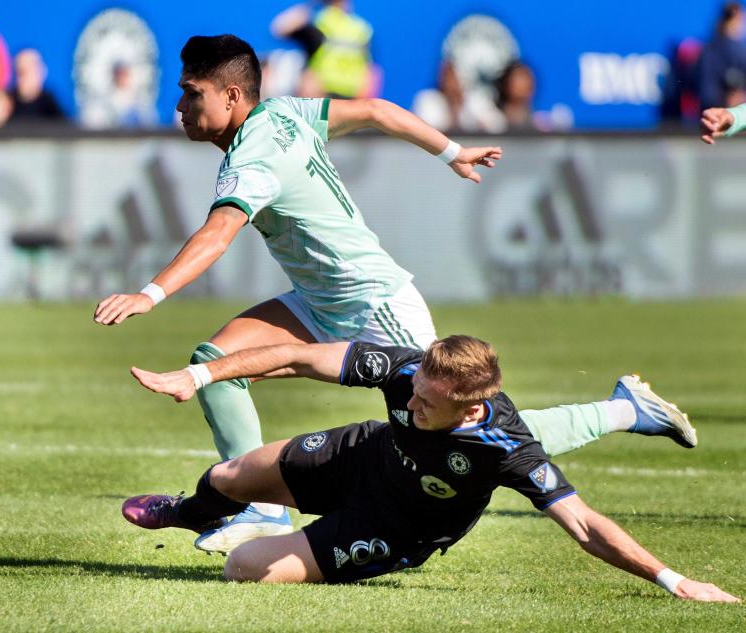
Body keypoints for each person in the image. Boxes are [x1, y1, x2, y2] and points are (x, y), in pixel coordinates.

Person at [94, 34, 502, 546]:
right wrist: (452, 151)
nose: (180, 105)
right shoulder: (285, 111)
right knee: (214, 365)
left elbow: (218, 234)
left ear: (232, 97)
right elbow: (376, 110)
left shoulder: (252, 161)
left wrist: (148, 294)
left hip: (377, 307)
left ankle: (615, 412)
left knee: (461, 425)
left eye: (192, 92)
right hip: (318, 302)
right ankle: (261, 510)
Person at [120, 335, 739, 601]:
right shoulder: (413, 369)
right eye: (412, 391)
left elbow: (583, 525)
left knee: (241, 568)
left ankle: (299, 542)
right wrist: (199, 375)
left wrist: (675, 581)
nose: (410, 403)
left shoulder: (506, 445)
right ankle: (188, 513)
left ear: (469, 408)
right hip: (362, 457)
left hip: (396, 528)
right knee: (230, 477)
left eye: (425, 403)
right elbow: (303, 358)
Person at [270, 1, 377, 98]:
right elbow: (372, 71)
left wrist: (310, 4)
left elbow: (278, 28)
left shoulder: (319, 23)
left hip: (319, 95)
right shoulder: (362, 29)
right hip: (351, 97)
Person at [699, 2, 746, 110]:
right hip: (719, 115)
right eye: (741, 19)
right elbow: (707, 92)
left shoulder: (737, 48)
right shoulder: (713, 51)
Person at [6, 49, 66, 124]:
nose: (24, 76)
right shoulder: (7, 103)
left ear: (42, 71)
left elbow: (64, 129)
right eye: (20, 71)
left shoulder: (49, 103)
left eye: (30, 68)